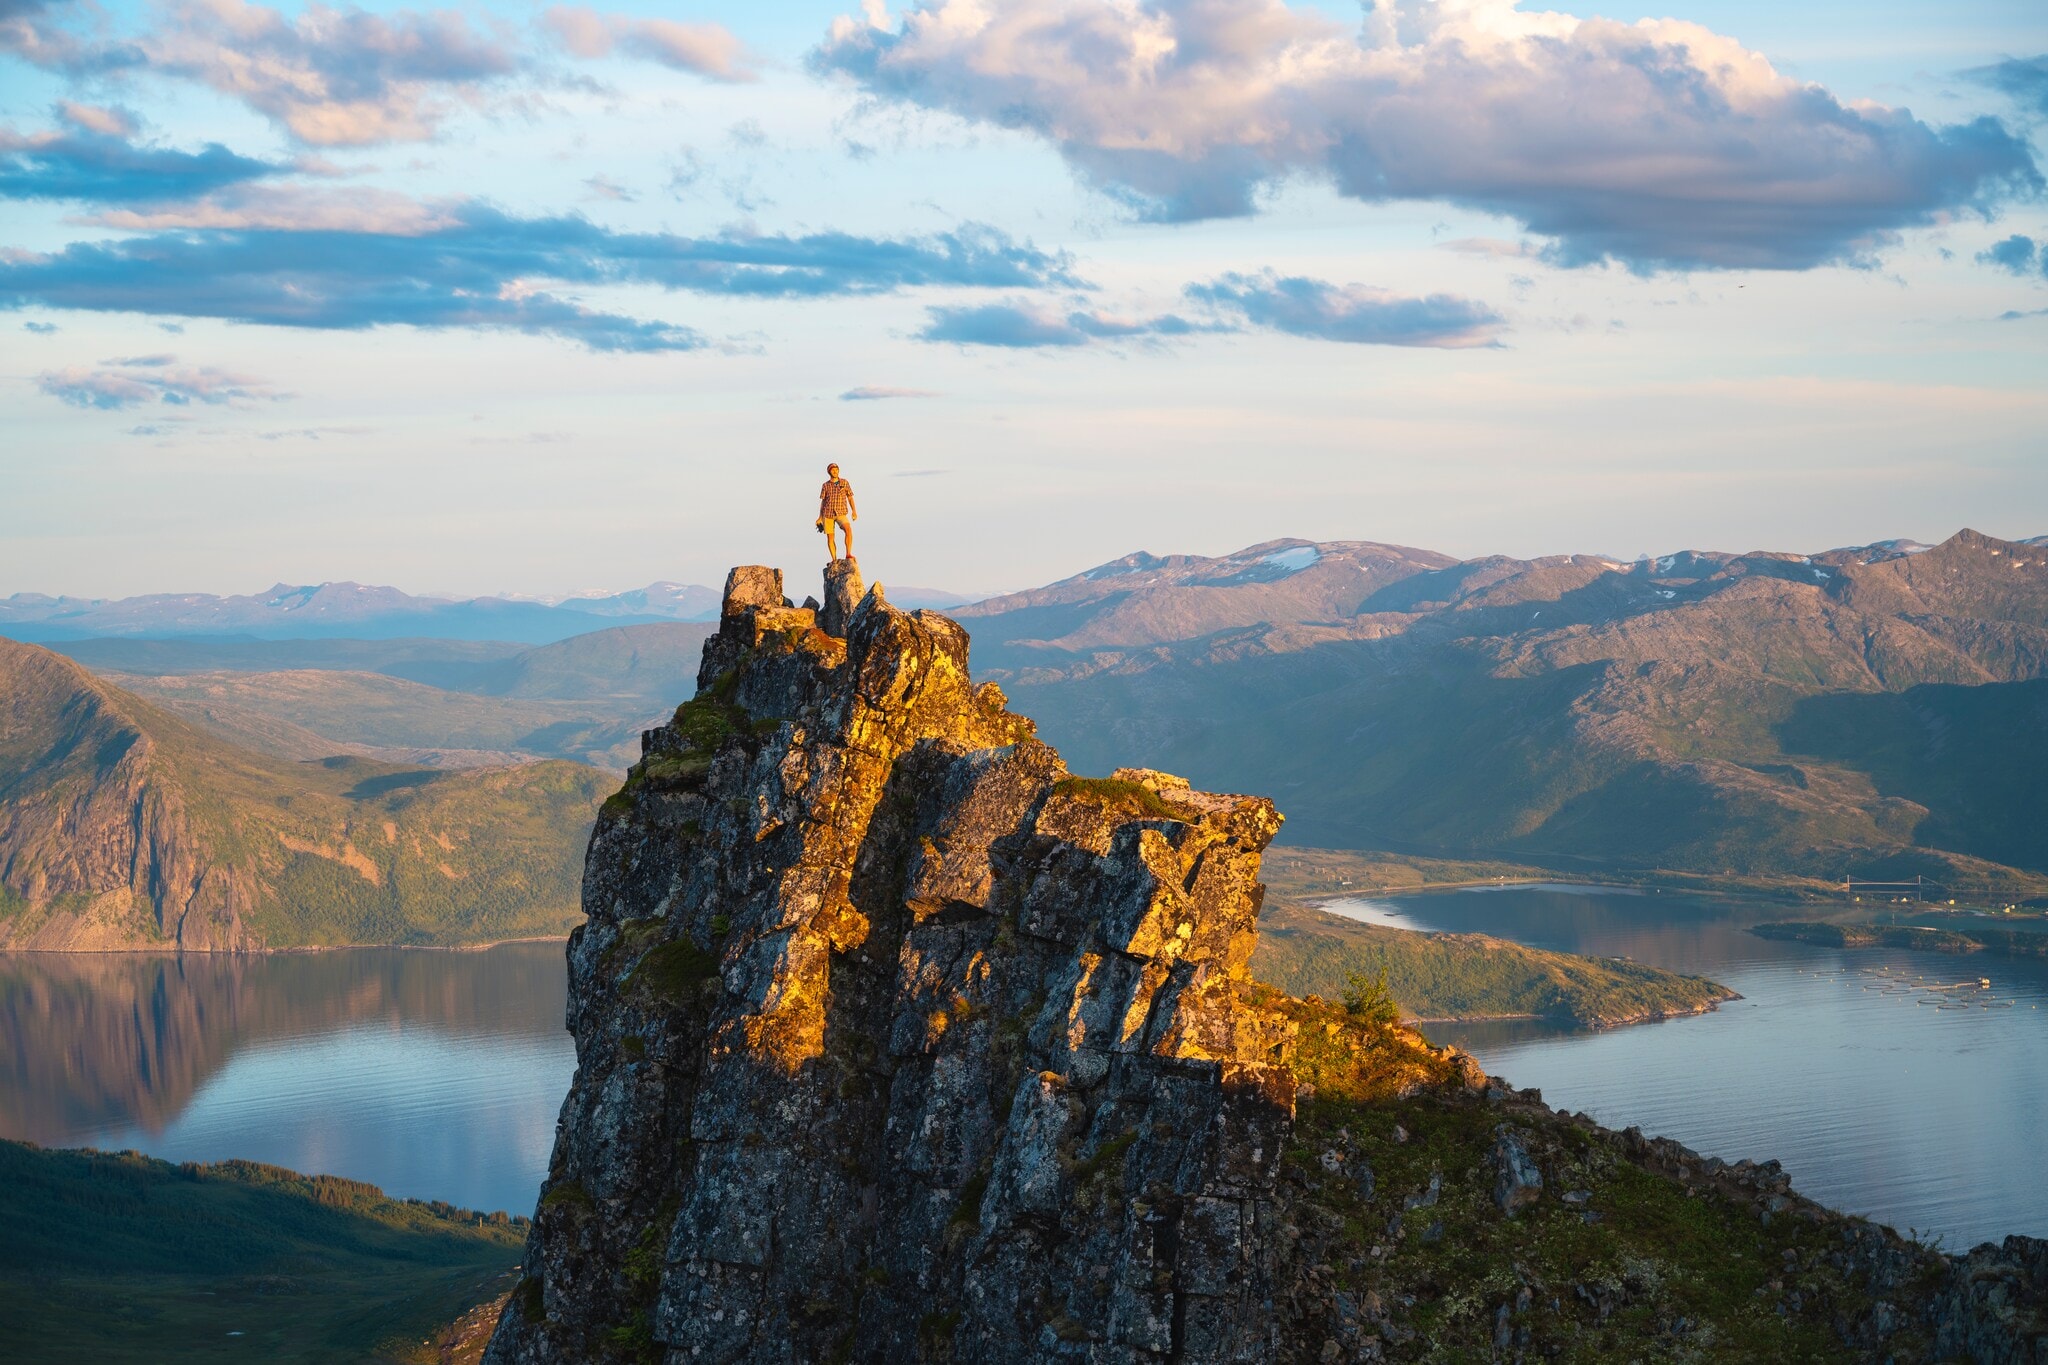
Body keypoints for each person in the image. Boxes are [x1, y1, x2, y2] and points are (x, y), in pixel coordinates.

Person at [816, 462, 857, 562]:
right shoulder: (825, 485)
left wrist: (854, 511)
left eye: (836, 469)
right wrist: (819, 517)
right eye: (833, 470)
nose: (835, 471)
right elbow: (823, 501)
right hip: (828, 514)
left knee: (848, 529)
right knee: (830, 537)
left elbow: (850, 497)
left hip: (841, 512)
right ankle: (834, 559)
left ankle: (848, 553)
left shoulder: (844, 482)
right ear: (829, 472)